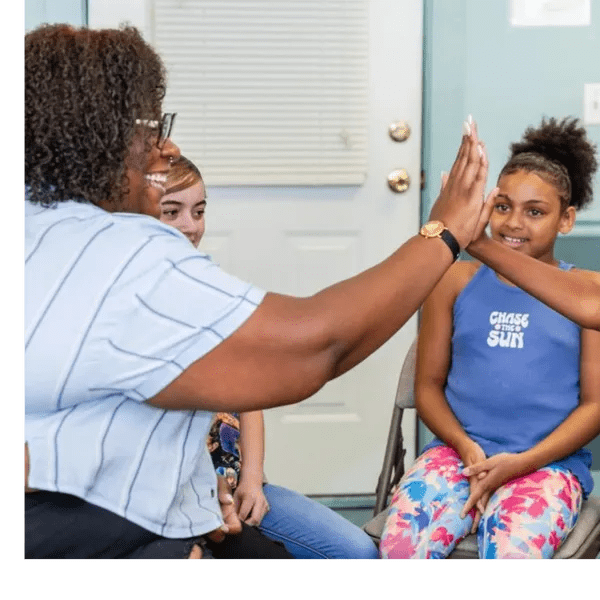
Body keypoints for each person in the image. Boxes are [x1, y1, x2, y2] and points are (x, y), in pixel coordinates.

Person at [24, 23, 489, 560]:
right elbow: (317, 346)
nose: (167, 147)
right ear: (97, 138)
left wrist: (195, 495)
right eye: (150, 128)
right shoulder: (119, 256)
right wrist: (443, 234)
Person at [379, 117, 600, 560]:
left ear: (567, 219)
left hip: (544, 465)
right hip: (457, 455)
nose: (514, 223)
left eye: (535, 211)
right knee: (401, 550)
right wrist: (466, 449)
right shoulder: (452, 282)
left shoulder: (584, 293)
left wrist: (521, 463)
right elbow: (427, 387)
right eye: (502, 206)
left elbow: (596, 406)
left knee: (511, 558)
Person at [159, 155, 380, 559]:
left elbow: (251, 396)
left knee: (357, 552)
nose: (191, 226)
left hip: (238, 481)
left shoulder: (217, 292)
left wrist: (253, 479)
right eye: (171, 212)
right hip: (178, 503)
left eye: (199, 211)